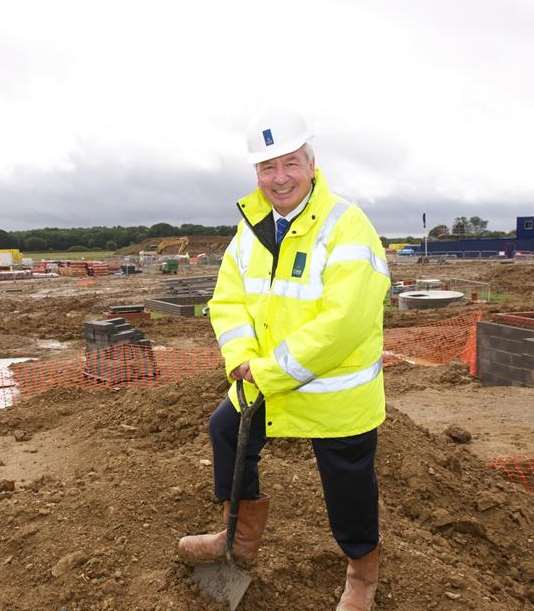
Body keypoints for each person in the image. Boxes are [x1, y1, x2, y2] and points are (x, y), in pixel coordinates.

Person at [177, 109, 390, 610]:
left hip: (336, 393)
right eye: (267, 168)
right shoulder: (251, 229)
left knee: (348, 485)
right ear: (256, 175)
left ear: (311, 165)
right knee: (226, 431)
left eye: (290, 164)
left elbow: (344, 322)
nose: (279, 178)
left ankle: (362, 575)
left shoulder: (346, 225)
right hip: (266, 378)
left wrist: (268, 371)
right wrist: (240, 357)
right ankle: (238, 541)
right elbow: (228, 300)